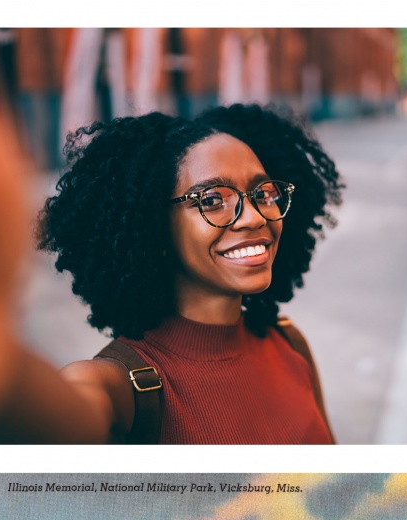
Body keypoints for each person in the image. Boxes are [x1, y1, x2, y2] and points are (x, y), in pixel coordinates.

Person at [27, 103, 342, 444]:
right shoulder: (119, 389)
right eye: (211, 200)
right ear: (155, 227)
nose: (254, 217)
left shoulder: (290, 344)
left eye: (263, 193)